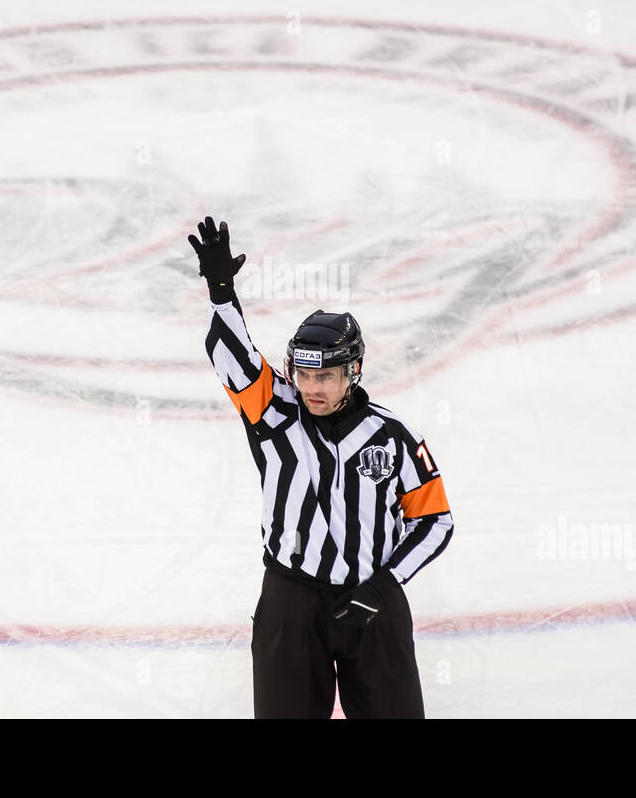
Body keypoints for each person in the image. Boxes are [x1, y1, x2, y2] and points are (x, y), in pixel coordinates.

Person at [188, 216, 454, 718]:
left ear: (353, 371)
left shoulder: (392, 436)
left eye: (327, 375)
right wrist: (221, 292)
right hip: (290, 603)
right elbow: (230, 355)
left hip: (373, 600)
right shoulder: (272, 413)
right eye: (304, 373)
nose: (313, 387)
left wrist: (386, 584)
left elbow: (435, 520)